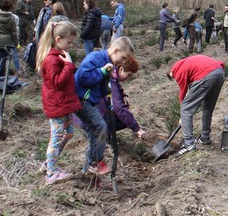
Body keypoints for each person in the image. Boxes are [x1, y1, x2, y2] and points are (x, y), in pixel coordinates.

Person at [74, 36, 135, 176]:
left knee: (94, 134)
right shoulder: (95, 57)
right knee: (101, 127)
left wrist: (106, 92)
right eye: (123, 57)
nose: (123, 62)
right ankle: (94, 161)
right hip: (81, 99)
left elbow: (102, 84)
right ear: (116, 50)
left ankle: (87, 173)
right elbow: (83, 77)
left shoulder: (109, 63)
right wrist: (102, 72)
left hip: (90, 100)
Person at [36, 20, 82, 185]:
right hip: (57, 106)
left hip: (63, 104)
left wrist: (69, 66)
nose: (70, 45)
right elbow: (57, 82)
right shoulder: (51, 60)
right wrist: (69, 65)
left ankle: (49, 164)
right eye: (68, 42)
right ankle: (51, 173)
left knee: (68, 134)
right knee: (55, 138)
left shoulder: (58, 56)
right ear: (58, 39)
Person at [167, 54, 226, 155]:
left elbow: (183, 93)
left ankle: (189, 144)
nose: (175, 79)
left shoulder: (177, 69)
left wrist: (183, 115)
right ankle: (205, 138)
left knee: (186, 108)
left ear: (171, 71)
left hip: (207, 74)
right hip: (219, 72)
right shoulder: (188, 62)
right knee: (207, 107)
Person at [74, 56, 146, 139]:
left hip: (89, 113)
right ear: (121, 69)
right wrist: (137, 128)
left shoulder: (112, 73)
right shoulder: (110, 80)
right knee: (122, 117)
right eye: (128, 75)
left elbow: (117, 87)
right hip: (90, 117)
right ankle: (104, 138)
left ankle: (107, 135)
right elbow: (118, 108)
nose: (128, 78)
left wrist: (123, 95)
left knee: (124, 120)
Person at [0, 0, 19, 73]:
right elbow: (14, 33)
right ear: (10, 8)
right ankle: (0, 77)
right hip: (6, 42)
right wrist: (17, 44)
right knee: (2, 60)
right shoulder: (12, 18)